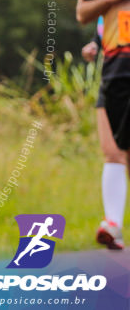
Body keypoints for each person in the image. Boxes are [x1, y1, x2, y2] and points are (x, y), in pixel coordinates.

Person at [80, 15, 127, 248]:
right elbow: (105, 33)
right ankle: (113, 225)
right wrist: (94, 46)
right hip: (113, 81)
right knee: (112, 152)